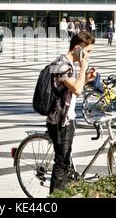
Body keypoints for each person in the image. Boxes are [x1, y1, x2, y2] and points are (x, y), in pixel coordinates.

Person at [47, 31, 97, 194]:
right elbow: (76, 90)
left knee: (66, 161)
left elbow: (75, 87)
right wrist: (83, 68)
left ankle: (64, 193)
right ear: (77, 48)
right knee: (61, 163)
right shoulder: (62, 65)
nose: (88, 56)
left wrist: (87, 78)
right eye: (87, 51)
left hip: (67, 118)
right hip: (60, 120)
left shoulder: (67, 64)